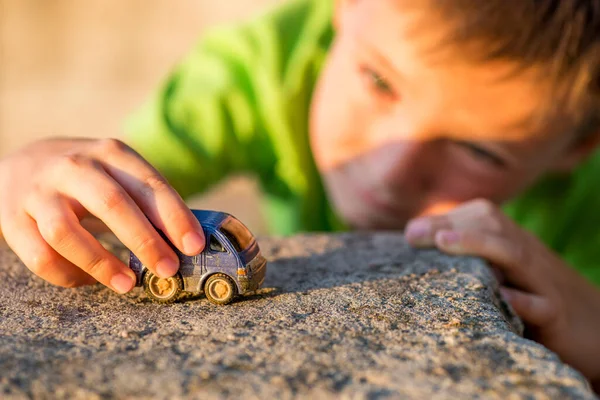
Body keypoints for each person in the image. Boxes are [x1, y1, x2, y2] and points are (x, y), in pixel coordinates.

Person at [1, 0, 599, 388]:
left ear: (581, 146)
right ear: (348, 6)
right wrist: (27, 175)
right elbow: (111, 188)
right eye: (379, 81)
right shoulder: (258, 69)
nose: (391, 171)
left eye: (480, 151)